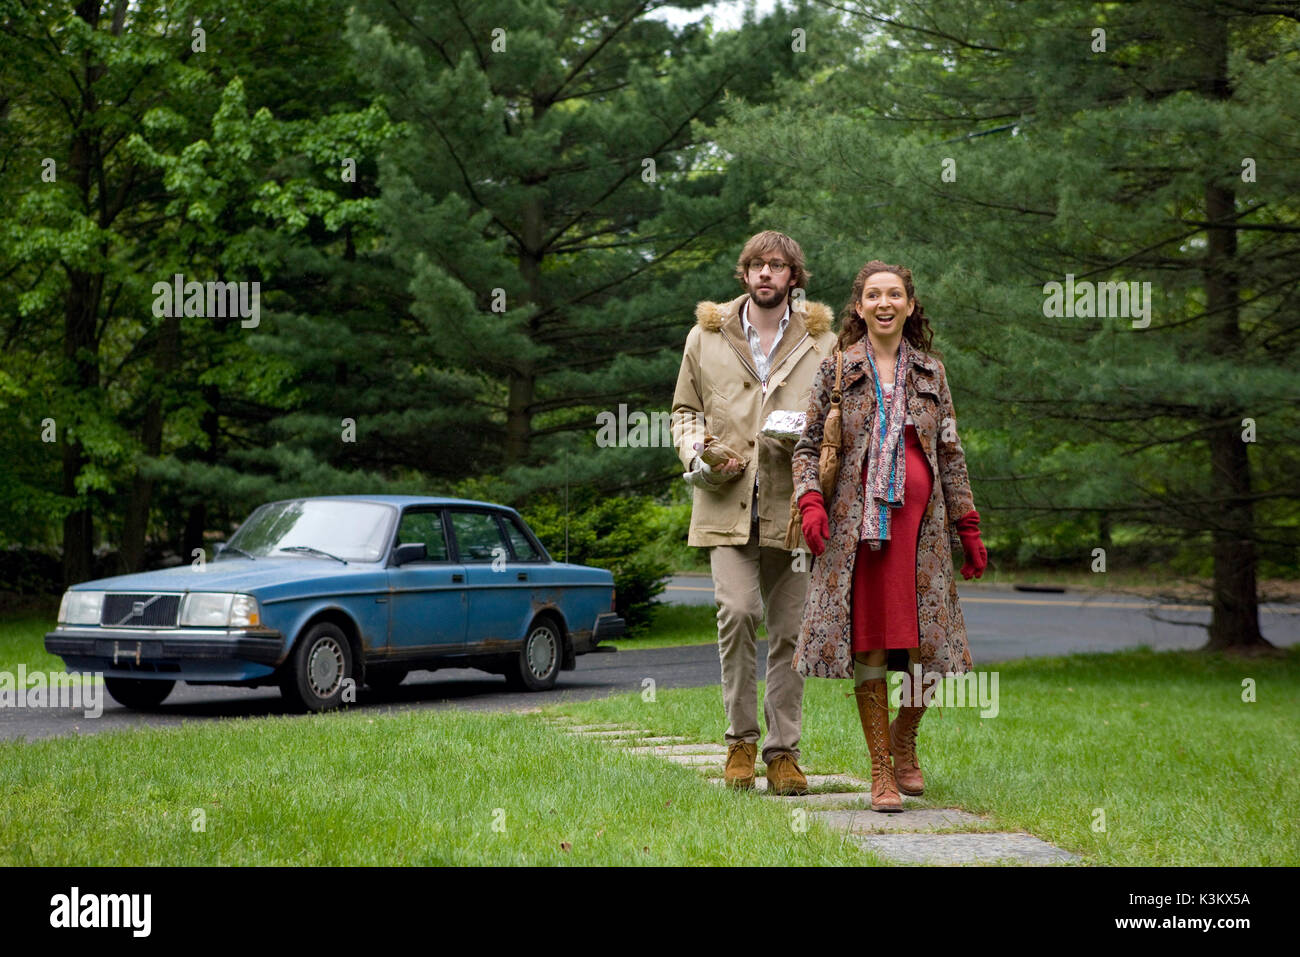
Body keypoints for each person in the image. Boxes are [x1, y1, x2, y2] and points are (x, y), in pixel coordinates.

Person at [791, 260, 988, 811]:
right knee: (872, 645)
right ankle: (881, 769)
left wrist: (967, 525)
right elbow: (807, 448)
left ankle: (906, 735)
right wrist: (810, 502)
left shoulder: (932, 372)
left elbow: (950, 451)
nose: (883, 303)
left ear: (907, 305)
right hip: (860, 534)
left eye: (894, 294)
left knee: (929, 647)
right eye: (873, 295)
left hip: (922, 534)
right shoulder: (836, 370)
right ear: (859, 307)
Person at [670, 230, 838, 795]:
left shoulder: (824, 344)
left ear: (794, 277)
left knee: (790, 631)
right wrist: (696, 451)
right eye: (756, 265)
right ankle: (739, 743)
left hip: (795, 510)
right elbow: (684, 411)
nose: (767, 273)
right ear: (743, 275)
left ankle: (783, 752)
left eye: (778, 266)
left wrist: (813, 446)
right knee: (738, 615)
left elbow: (837, 422)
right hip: (726, 502)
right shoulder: (706, 335)